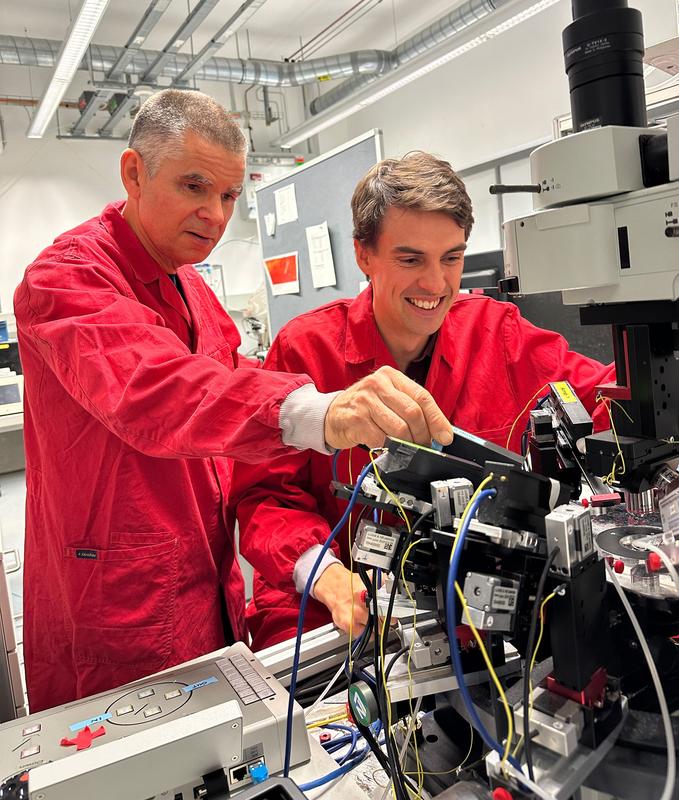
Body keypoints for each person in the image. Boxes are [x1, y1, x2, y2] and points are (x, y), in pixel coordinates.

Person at [14, 93, 454, 712]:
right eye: (195, 187)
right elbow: (156, 389)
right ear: (134, 173)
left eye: (228, 195)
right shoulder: (66, 279)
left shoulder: (190, 285)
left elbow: (225, 375)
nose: (216, 215)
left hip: (204, 582)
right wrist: (319, 413)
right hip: (116, 600)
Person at [230, 151, 615, 651]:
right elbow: (265, 499)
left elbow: (611, 399)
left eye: (451, 258)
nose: (436, 284)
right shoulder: (305, 349)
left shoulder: (497, 333)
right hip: (336, 613)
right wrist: (323, 574)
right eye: (411, 259)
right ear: (364, 255)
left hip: (473, 614)